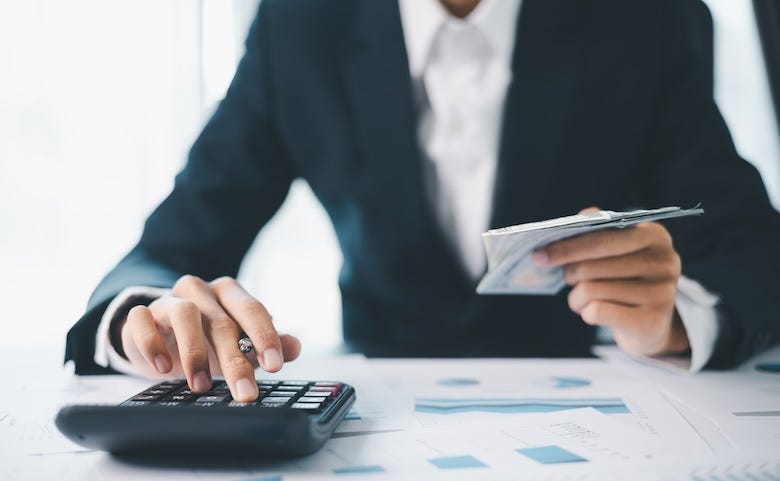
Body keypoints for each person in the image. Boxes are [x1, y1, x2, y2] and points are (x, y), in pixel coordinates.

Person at [65, 0, 780, 402]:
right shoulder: (299, 25)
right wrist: (146, 318)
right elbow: (171, 245)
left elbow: (756, 252)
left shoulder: (642, 20)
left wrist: (676, 320)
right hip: (380, 408)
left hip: (597, 404)